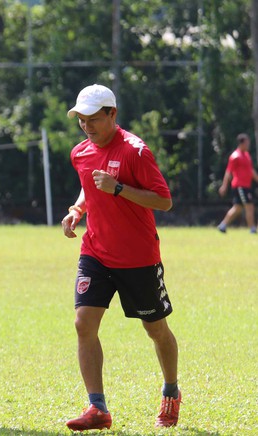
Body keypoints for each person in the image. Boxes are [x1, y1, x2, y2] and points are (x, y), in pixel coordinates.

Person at [60, 84, 181, 431]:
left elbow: (163, 201)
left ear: (112, 114)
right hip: (95, 252)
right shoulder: (80, 152)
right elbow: (89, 183)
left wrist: (119, 188)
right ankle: (97, 408)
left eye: (94, 119)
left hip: (138, 257)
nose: (87, 126)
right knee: (83, 323)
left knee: (155, 329)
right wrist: (76, 210)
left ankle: (171, 391)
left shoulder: (135, 151)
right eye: (81, 120)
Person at [217, 133, 258, 233]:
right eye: (247, 143)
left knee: (238, 208)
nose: (248, 145)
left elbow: (251, 170)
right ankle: (252, 229)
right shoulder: (235, 156)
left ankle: (222, 225)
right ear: (242, 143)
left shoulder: (247, 155)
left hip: (246, 186)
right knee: (249, 206)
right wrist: (224, 185)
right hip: (240, 186)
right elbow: (228, 171)